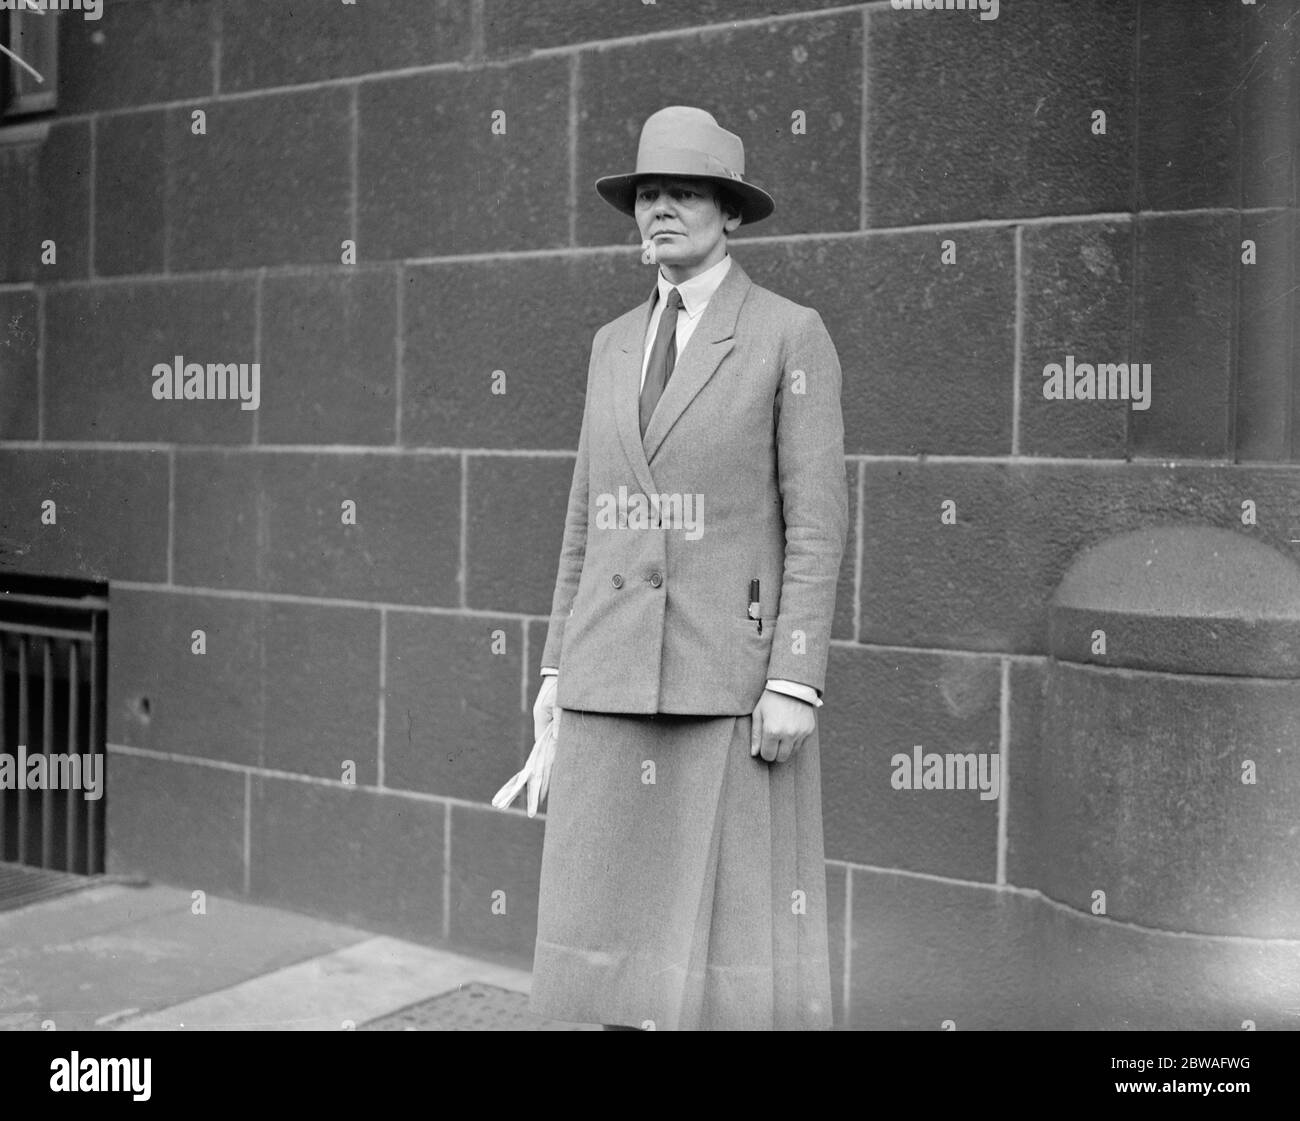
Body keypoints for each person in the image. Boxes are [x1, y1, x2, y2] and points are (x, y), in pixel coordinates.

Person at [528, 105, 849, 1031]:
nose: (662, 210)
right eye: (649, 195)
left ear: (731, 214)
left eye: (687, 193)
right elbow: (586, 518)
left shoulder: (790, 335)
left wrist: (794, 675)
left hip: (727, 683)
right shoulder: (611, 343)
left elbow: (818, 526)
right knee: (603, 943)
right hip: (605, 678)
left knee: (721, 961)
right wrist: (556, 667)